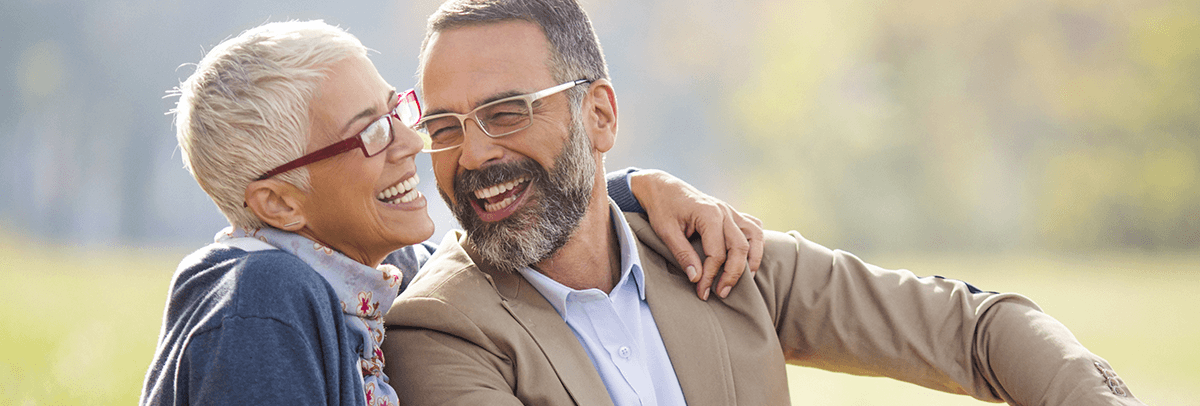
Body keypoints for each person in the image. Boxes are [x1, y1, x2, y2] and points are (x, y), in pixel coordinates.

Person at [382, 1, 1145, 405]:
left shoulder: (717, 255)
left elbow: (973, 330)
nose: (474, 155)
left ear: (601, 116)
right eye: (444, 128)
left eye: (508, 112)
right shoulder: (438, 329)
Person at [140, 20, 763, 406]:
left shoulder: (385, 276)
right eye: (371, 135)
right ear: (278, 202)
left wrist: (636, 189)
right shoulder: (262, 304)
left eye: (398, 112)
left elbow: (517, 233)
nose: (414, 143)